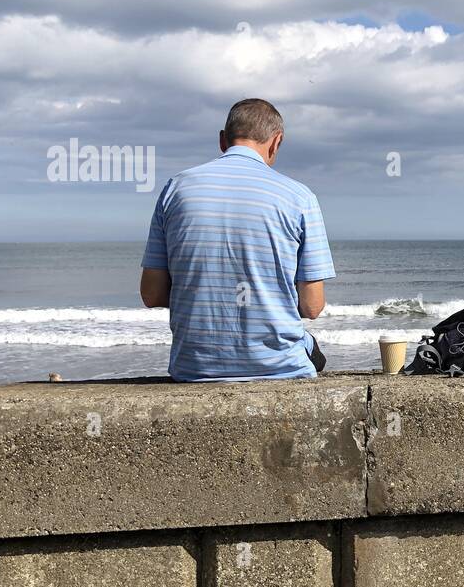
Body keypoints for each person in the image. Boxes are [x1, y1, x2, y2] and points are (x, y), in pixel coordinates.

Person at [139, 98, 334, 381]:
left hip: (194, 368)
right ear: (276, 142)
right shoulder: (300, 197)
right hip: (280, 369)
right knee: (310, 349)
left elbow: (152, 294)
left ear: (223, 140)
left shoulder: (175, 189)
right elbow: (312, 307)